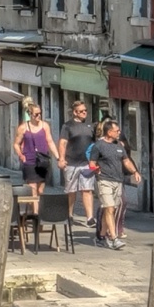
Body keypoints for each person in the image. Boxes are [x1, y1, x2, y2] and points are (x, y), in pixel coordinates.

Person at [87, 118, 139, 248]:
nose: (119, 132)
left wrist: (135, 172)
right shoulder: (98, 146)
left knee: (111, 210)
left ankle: (101, 237)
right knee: (109, 208)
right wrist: (96, 170)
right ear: (109, 132)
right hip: (104, 181)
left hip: (118, 181)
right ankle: (114, 238)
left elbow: (126, 161)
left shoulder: (119, 145)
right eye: (117, 131)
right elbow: (92, 164)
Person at [59, 97, 96, 230]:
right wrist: (61, 159)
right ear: (75, 112)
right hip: (71, 163)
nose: (84, 113)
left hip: (86, 163)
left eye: (85, 111)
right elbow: (63, 143)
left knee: (87, 190)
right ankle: (69, 214)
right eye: (81, 111)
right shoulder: (67, 126)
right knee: (71, 191)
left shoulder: (90, 126)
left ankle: (90, 217)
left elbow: (95, 144)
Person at [13, 100, 57, 209]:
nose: (39, 116)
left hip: (43, 161)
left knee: (40, 190)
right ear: (30, 115)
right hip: (29, 161)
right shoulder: (23, 128)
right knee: (32, 188)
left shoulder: (45, 126)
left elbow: (50, 141)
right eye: (36, 114)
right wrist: (21, 155)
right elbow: (16, 144)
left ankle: (35, 209)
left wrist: (58, 156)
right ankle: (36, 215)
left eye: (40, 113)